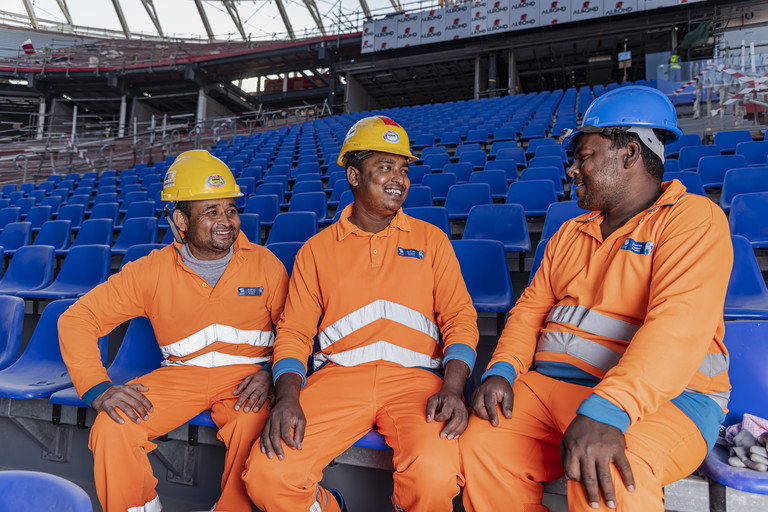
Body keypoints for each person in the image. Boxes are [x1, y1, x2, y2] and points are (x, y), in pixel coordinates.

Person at [460, 86, 732, 511]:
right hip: (554, 388)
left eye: (584, 157)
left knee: (607, 468)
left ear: (629, 154)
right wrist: (502, 371)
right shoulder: (570, 232)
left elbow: (677, 328)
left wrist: (609, 409)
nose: (572, 170)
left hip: (665, 400)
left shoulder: (693, 219)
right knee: (481, 442)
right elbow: (529, 312)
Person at [243, 115, 479, 512]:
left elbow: (459, 319)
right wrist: (287, 397)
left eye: (403, 169)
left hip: (416, 382)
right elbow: (296, 332)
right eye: (385, 167)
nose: (399, 179)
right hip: (338, 380)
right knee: (269, 476)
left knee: (435, 476)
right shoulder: (317, 251)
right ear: (353, 175)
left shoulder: (432, 240)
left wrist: (453, 389)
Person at [59, 150, 289, 512]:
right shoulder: (148, 271)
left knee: (254, 426)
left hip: (249, 380)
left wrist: (272, 374)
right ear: (180, 219)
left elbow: (297, 329)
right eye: (210, 211)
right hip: (181, 377)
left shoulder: (267, 264)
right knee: (112, 426)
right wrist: (97, 388)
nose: (225, 220)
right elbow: (77, 319)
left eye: (230, 209)